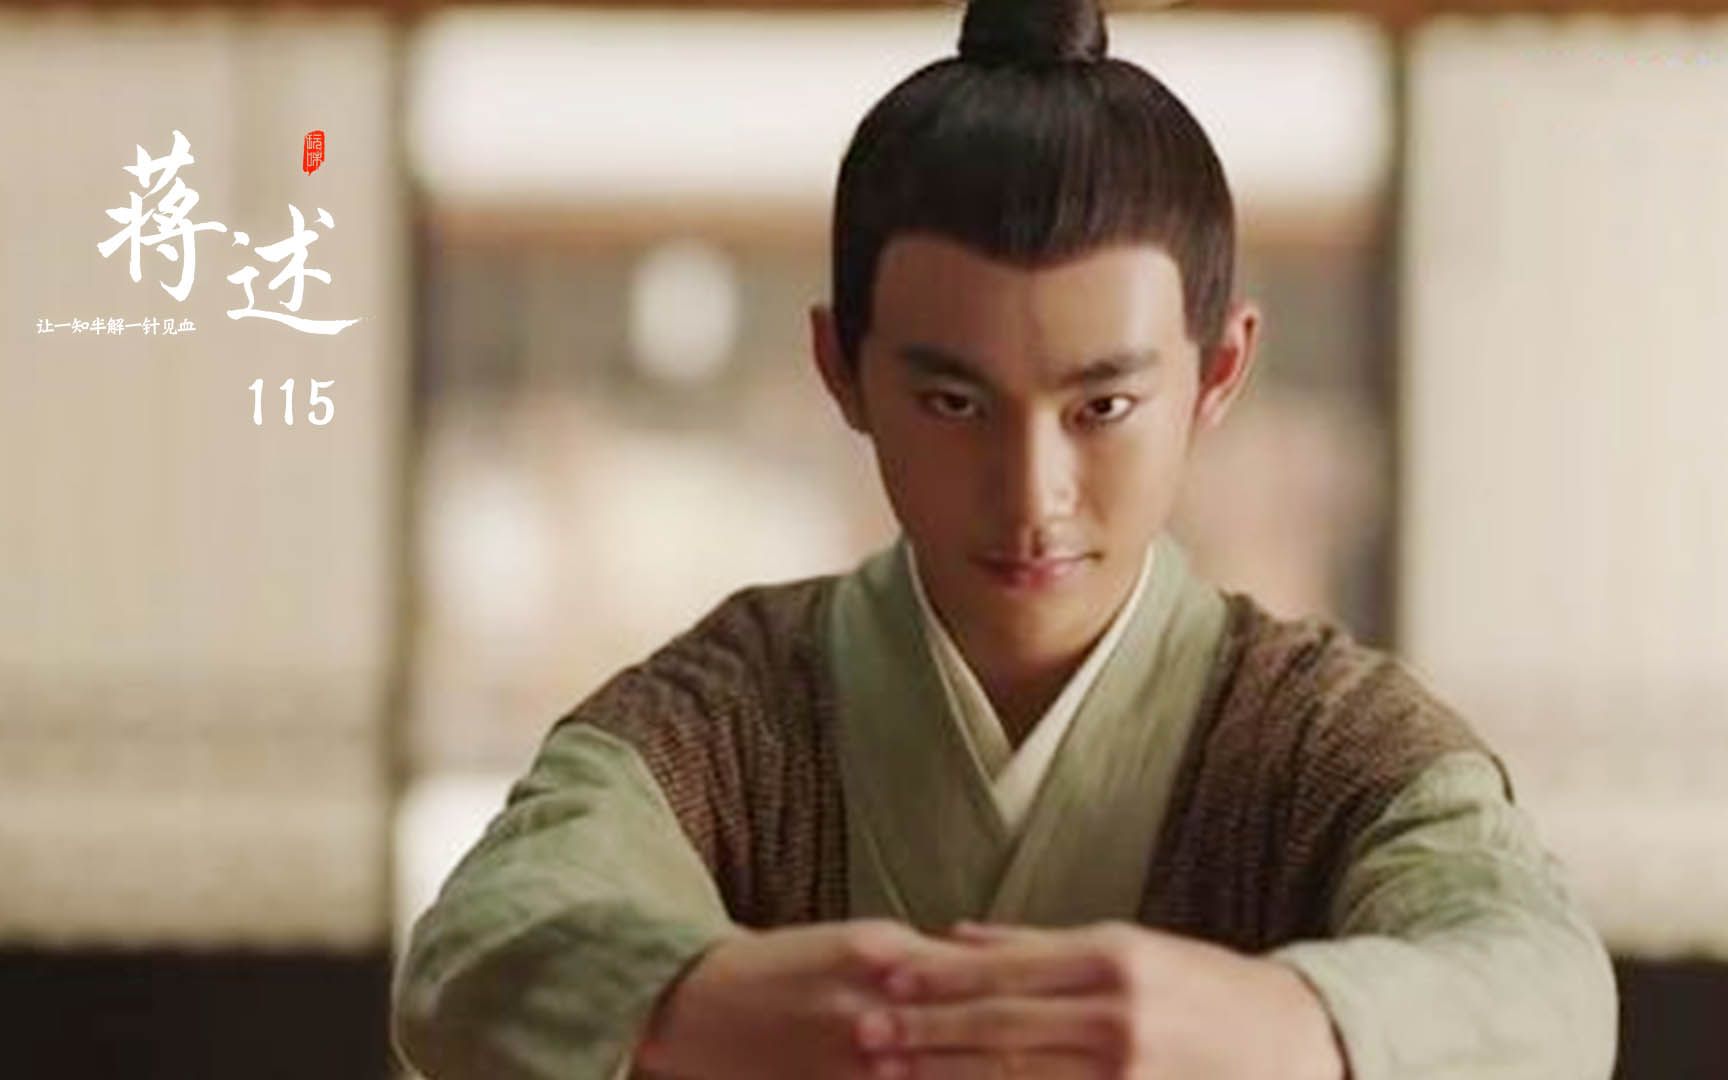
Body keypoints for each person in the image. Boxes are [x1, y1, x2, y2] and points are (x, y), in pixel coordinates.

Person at [392, 0, 1618, 1075]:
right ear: (842, 368)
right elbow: (479, 943)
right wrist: (691, 1002)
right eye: (953, 402)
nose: (1033, 495)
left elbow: (1544, 983)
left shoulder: (1313, 737)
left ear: (1219, 372)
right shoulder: (734, 714)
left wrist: (1295, 1022)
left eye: (1103, 407)